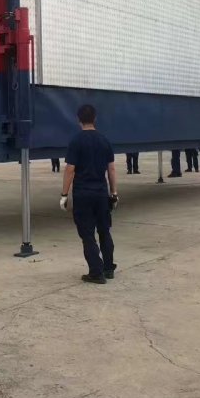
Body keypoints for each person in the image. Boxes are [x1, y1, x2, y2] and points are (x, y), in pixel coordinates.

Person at [60, 104, 118, 284]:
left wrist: (64, 194)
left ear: (78, 119)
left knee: (87, 234)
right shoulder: (104, 140)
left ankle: (96, 272)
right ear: (95, 118)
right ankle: (108, 268)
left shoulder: (76, 141)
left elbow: (70, 169)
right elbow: (111, 169)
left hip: (83, 193)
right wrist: (114, 192)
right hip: (101, 193)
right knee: (104, 230)